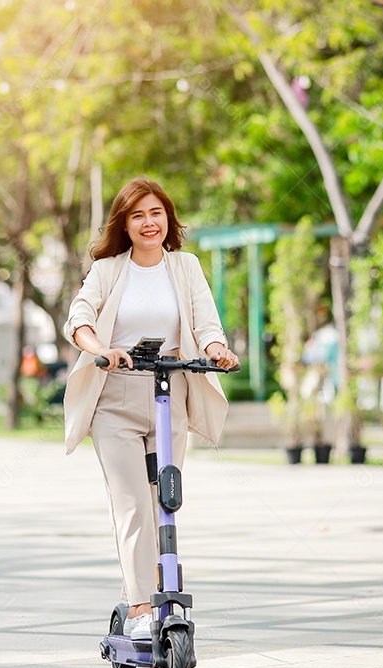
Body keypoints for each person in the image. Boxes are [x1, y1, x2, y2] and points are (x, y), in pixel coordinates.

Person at [62, 177, 239, 640]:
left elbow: (206, 320)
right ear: (125, 223)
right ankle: (140, 606)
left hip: (169, 394)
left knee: (165, 500)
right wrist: (101, 347)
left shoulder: (186, 267)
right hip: (116, 398)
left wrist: (217, 349)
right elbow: (78, 318)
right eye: (137, 215)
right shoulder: (108, 271)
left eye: (156, 213)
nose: (148, 223)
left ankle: (163, 591)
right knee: (133, 504)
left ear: (168, 219)